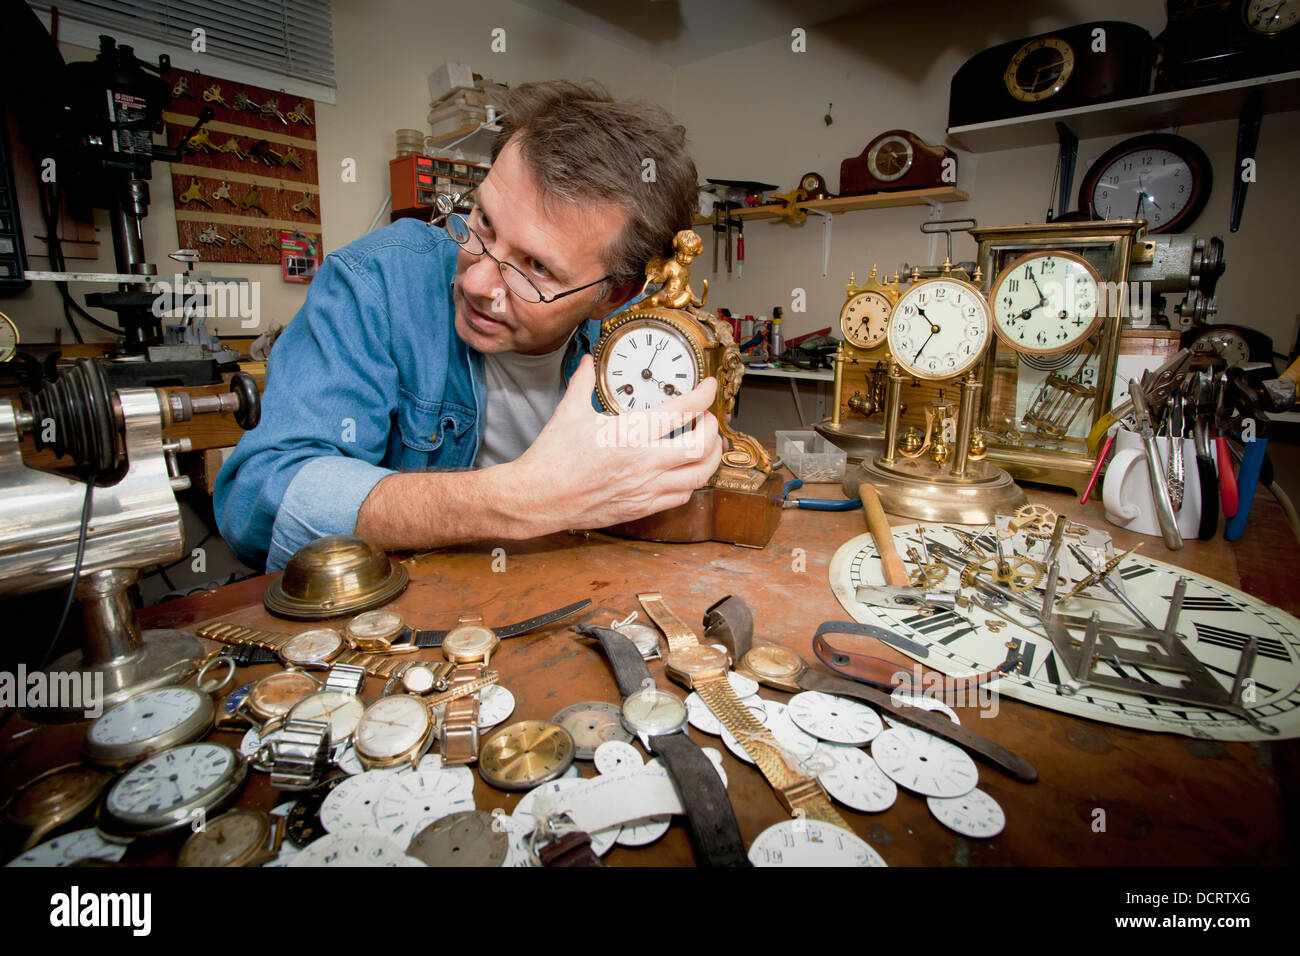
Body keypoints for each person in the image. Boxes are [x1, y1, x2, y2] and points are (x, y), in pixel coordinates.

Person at [214, 80, 723, 572]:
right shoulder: (374, 282)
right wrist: (518, 499)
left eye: (536, 267)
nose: (479, 282)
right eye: (483, 222)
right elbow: (256, 503)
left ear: (612, 294)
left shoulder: (645, 341)